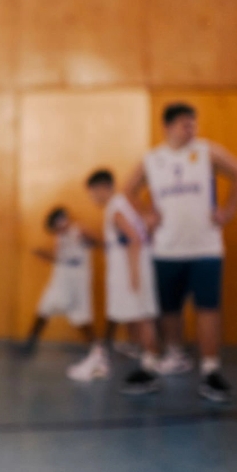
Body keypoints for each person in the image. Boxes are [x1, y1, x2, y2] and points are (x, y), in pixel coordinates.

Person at [125, 102, 237, 404]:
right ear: (167, 127)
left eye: (193, 122)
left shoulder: (207, 151)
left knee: (208, 308)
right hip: (167, 248)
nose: (191, 128)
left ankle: (210, 370)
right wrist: (146, 214)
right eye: (184, 123)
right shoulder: (152, 159)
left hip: (206, 247)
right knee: (169, 309)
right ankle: (175, 354)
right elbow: (128, 189)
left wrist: (229, 210)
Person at [85, 169, 161, 395]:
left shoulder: (116, 207)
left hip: (131, 271)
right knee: (137, 317)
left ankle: (150, 367)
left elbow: (134, 238)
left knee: (141, 317)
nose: (92, 199)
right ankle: (145, 360)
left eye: (92, 193)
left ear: (101, 188)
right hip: (132, 268)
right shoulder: (122, 205)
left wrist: (135, 274)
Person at [18, 207, 107, 382]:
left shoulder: (79, 229)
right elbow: (59, 256)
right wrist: (44, 254)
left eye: (57, 225)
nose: (57, 231)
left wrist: (91, 240)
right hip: (60, 278)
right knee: (43, 308)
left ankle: (97, 349)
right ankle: (30, 342)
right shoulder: (60, 236)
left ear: (63, 220)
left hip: (77, 280)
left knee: (81, 316)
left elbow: (100, 241)